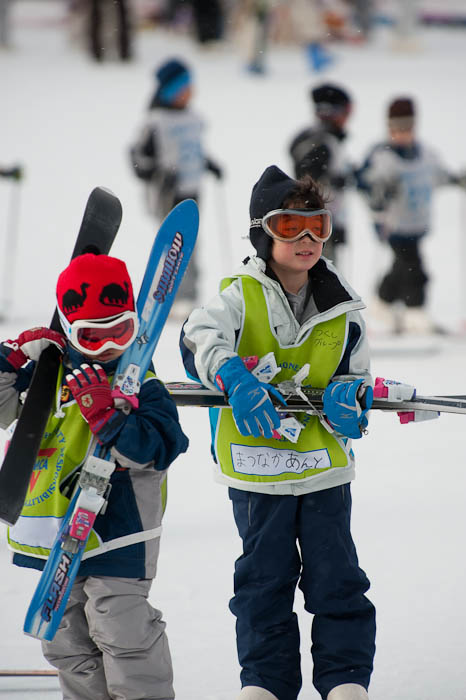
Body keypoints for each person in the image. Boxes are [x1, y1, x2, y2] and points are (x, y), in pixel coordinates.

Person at [180, 165, 376, 700]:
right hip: (258, 469)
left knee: (337, 579)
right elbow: (198, 333)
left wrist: (349, 397)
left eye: (319, 226)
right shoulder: (240, 295)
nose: (308, 240)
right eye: (290, 227)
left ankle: (345, 681)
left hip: (322, 468)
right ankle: (264, 684)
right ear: (262, 233)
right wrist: (232, 376)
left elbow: (356, 374)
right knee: (263, 584)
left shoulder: (345, 307)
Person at [0, 253, 189, 700]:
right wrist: (10, 361)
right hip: (52, 531)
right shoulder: (46, 376)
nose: (105, 345)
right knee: (65, 641)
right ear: (68, 328)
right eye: (90, 334)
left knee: (122, 631)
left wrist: (110, 419)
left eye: (118, 330)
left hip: (117, 530)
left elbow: (163, 448)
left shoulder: (137, 380)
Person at [356, 96, 466, 334]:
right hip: (393, 225)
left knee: (401, 266)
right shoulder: (382, 156)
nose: (402, 134)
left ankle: (383, 302)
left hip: (417, 223)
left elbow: (439, 175)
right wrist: (381, 192)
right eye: (397, 129)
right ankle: (415, 311)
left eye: (407, 128)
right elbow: (363, 182)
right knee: (413, 268)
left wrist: (457, 180)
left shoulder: (425, 154)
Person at [129, 57, 223, 318]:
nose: (190, 93)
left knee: (191, 242)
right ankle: (167, 294)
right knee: (172, 244)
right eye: (185, 87)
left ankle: (189, 293)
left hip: (192, 190)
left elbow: (194, 151)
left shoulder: (194, 118)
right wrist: (156, 172)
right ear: (171, 91)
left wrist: (209, 164)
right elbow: (137, 158)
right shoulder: (156, 121)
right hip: (167, 193)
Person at [289, 83, 353, 269]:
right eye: (346, 112)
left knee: (328, 270)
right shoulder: (320, 142)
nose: (347, 119)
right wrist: (333, 179)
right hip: (316, 222)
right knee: (323, 271)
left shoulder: (328, 140)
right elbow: (307, 174)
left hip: (326, 220)